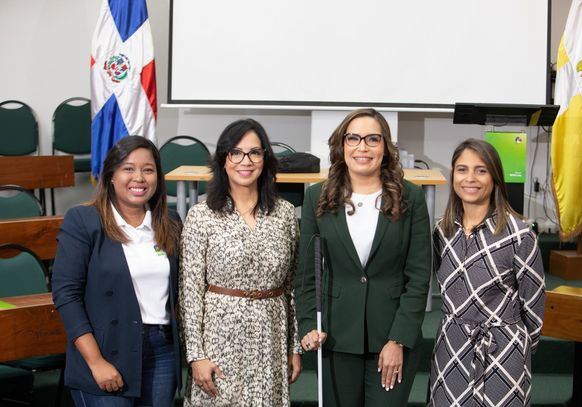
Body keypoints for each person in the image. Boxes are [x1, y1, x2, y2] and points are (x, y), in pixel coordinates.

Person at [296, 108, 432, 406]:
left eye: (373, 139)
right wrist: (307, 325)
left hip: (392, 338)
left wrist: (398, 339)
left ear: (385, 147)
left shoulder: (411, 198)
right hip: (335, 336)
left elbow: (419, 276)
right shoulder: (316, 198)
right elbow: (305, 274)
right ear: (341, 145)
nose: (362, 147)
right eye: (353, 138)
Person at [52, 136, 183, 407]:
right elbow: (67, 295)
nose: (139, 178)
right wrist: (96, 362)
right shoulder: (83, 220)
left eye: (148, 169)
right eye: (128, 168)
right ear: (111, 175)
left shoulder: (170, 221)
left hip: (162, 352)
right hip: (105, 350)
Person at [179, 118, 302, 406]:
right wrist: (196, 355)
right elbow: (190, 292)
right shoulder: (202, 215)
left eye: (254, 152)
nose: (245, 161)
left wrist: (293, 346)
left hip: (270, 335)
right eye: (236, 152)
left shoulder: (284, 214)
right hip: (220, 337)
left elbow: (293, 284)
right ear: (223, 159)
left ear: (265, 159)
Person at [429, 138, 545, 406]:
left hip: (502, 352)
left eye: (481, 170)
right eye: (462, 169)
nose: (470, 178)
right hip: (451, 346)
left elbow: (534, 308)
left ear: (495, 178)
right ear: (453, 175)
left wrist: (516, 350)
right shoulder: (442, 231)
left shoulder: (520, 235)